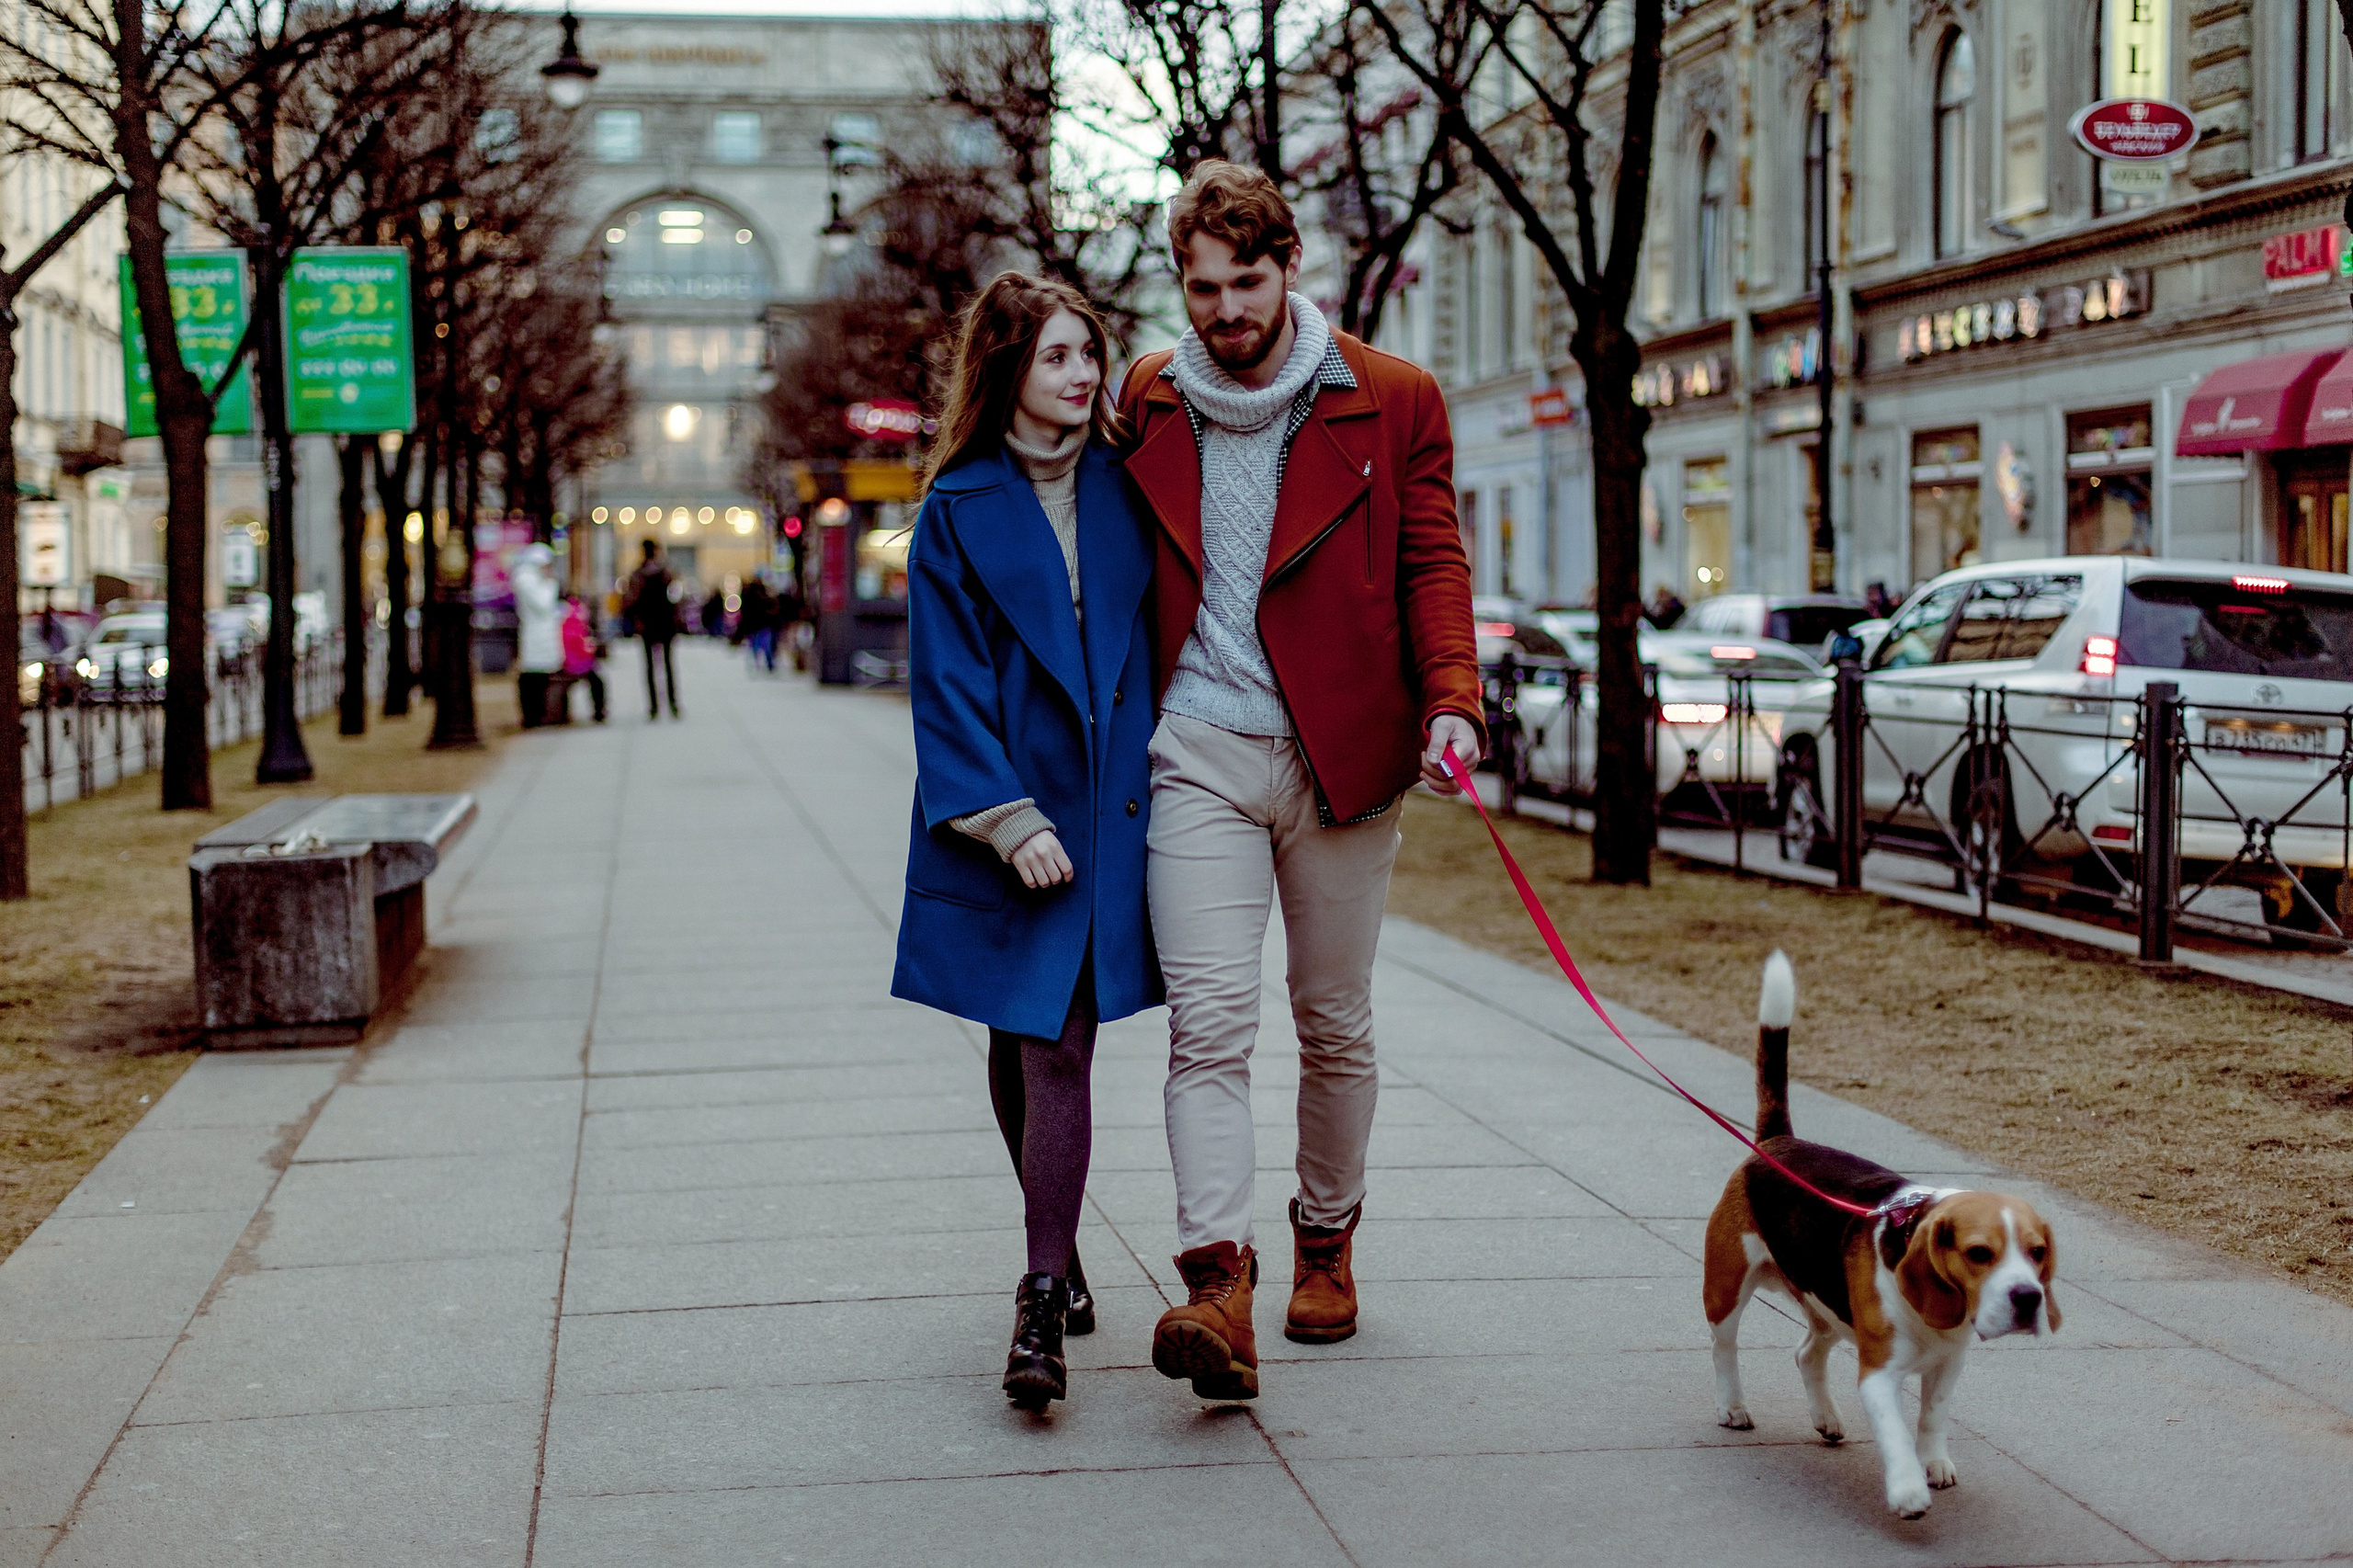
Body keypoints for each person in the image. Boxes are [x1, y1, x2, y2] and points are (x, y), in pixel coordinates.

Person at [1115, 161, 1482, 1402]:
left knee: (1334, 1019)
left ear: (1290, 270)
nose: (1223, 308)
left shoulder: (1391, 399)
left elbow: (1434, 556)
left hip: (1343, 756)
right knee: (1209, 1025)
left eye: (1246, 281)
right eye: (1201, 286)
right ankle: (1219, 1281)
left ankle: (1327, 1241)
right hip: (1197, 749)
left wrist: (1452, 701)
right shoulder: (1149, 398)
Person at [890, 272, 1160, 1414]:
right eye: (1057, 357)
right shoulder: (957, 505)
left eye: (1088, 352)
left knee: (1058, 1040)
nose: (1083, 373)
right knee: (1024, 1030)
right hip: (1001, 806)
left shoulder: (1130, 483)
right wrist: (1005, 817)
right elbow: (944, 684)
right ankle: (1058, 1265)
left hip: (1114, 802)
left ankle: (1041, 1284)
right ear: (1007, 366)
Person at [626, 540, 682, 719]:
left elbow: (631, 600)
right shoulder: (665, 572)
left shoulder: (638, 574)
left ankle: (653, 707)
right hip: (665, 623)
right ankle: (673, 703)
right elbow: (676, 596)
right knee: (668, 665)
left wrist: (636, 620)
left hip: (648, 624)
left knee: (650, 667)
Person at [511, 542, 562, 729]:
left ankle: (539, 713)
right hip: (535, 635)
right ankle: (532, 716)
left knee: (540, 676)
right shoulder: (527, 580)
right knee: (532, 676)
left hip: (542, 635)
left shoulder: (533, 579)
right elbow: (544, 604)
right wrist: (551, 584)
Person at [560, 593, 607, 722]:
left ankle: (598, 711)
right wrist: (589, 649)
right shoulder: (573, 621)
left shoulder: (568, 620)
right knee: (597, 681)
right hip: (574, 662)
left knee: (596, 680)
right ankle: (599, 711)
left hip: (571, 661)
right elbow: (577, 645)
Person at [741, 576, 779, 672]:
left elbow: (744, 612)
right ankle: (767, 664)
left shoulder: (747, 596)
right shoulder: (763, 596)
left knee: (756, 646)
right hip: (762, 625)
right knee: (765, 646)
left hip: (754, 626)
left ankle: (757, 663)